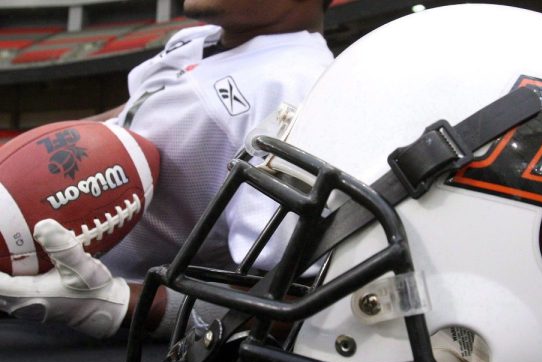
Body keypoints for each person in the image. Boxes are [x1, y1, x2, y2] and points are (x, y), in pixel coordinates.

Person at [0, 0, 334, 338]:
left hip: (96, 325)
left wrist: (113, 302)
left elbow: (295, 303)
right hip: (31, 270)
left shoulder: (298, 88)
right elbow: (129, 114)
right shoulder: (203, 38)